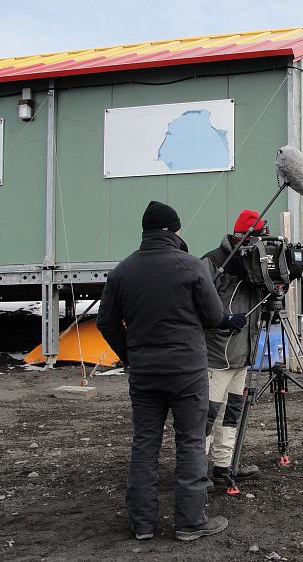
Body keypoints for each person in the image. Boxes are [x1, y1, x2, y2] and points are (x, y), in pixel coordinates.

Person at [97, 201, 244, 542]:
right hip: (187, 372)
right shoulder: (191, 266)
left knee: (145, 444)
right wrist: (227, 318)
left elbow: (106, 323)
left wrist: (130, 355)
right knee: (191, 442)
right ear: (175, 230)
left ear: (145, 231)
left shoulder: (122, 271)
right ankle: (190, 522)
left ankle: (142, 524)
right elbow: (212, 316)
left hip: (145, 373)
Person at [202, 209, 267, 488]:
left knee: (231, 413)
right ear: (244, 236)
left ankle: (223, 467)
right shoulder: (215, 262)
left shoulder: (256, 264)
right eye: (259, 236)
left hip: (242, 355)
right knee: (205, 416)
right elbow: (196, 303)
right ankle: (193, 473)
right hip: (215, 356)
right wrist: (223, 320)